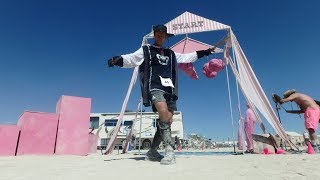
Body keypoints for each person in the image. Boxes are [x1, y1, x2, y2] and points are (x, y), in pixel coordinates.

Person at [107, 24, 214, 165]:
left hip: (169, 89)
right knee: (162, 111)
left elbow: (188, 57)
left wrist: (206, 52)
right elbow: (132, 59)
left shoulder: (171, 53)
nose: (160, 36)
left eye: (162, 34)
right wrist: (117, 60)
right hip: (154, 86)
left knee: (167, 120)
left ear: (165, 36)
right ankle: (169, 150)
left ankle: (152, 151)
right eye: (158, 34)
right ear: (154, 35)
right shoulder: (147, 50)